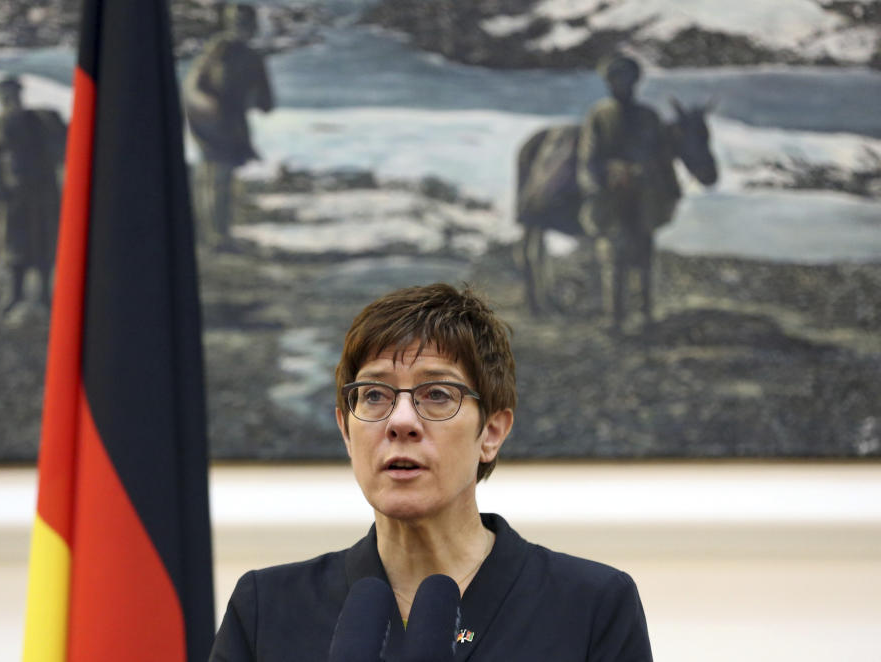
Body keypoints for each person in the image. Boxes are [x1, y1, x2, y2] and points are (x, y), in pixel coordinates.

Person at [209, 283, 653, 661]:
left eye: (437, 394)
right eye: (374, 395)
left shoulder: (591, 604)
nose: (401, 421)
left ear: (491, 433)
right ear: (346, 430)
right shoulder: (267, 607)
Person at [577, 54, 680, 334]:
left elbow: (663, 158)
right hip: (612, 200)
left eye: (625, 79)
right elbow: (588, 160)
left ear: (635, 82)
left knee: (645, 254)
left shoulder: (649, 116)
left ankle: (646, 315)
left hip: (644, 199)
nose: (619, 85)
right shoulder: (599, 115)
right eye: (614, 79)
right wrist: (607, 177)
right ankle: (616, 318)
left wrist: (660, 184)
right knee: (614, 256)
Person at [183, 2, 274, 249]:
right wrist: (207, 106)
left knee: (219, 178)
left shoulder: (252, 58)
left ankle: (218, 234)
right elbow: (193, 88)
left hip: (231, 127)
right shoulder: (216, 51)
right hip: (209, 124)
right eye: (236, 22)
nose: (240, 28)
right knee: (213, 176)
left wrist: (251, 100)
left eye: (244, 23)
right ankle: (214, 237)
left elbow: (266, 102)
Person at [0, 75, 66, 315]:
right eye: (5, 96)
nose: (10, 100)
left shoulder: (37, 120)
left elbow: (57, 149)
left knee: (43, 241)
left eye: (14, 94)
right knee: (15, 244)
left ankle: (44, 295)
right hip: (14, 193)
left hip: (41, 190)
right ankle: (15, 294)